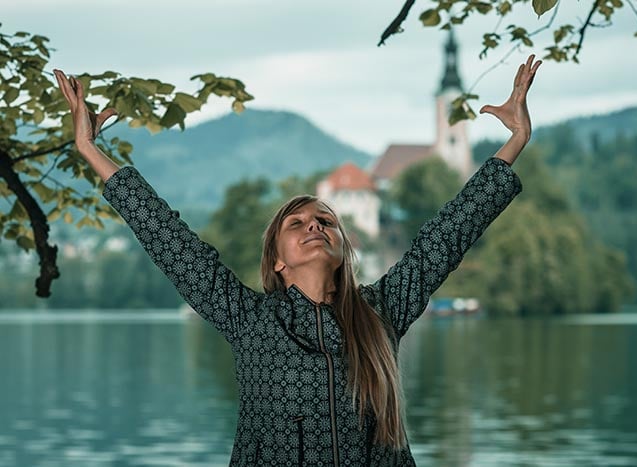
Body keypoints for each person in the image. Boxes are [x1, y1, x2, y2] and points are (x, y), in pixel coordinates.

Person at [53, 54, 541, 467]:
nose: (314, 225)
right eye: (297, 223)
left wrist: (514, 140)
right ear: (277, 263)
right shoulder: (249, 319)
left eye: (325, 220)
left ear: (343, 250)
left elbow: (450, 232)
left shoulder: (381, 311)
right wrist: (89, 149)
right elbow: (166, 236)